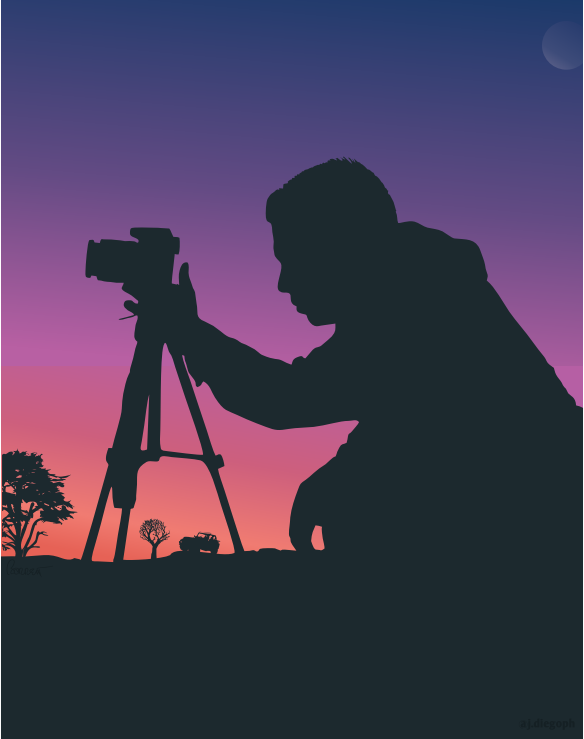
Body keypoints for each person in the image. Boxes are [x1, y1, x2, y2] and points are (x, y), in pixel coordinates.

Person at [125, 157, 581, 562]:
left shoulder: (411, 300)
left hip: (529, 525)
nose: (284, 284)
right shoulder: (420, 279)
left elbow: (288, 399)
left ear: (342, 245)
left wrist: (189, 332)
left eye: (294, 259)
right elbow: (409, 413)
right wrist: (340, 472)